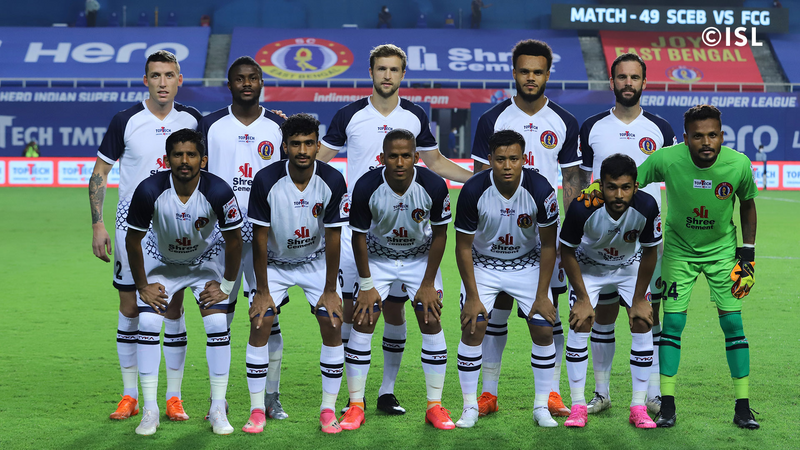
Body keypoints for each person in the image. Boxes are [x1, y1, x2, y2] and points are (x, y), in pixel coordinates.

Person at [318, 43, 471, 415]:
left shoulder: (415, 115)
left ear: (403, 74)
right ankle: (352, 398)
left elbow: (435, 162)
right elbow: (318, 160)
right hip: (361, 232)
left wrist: (479, 180)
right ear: (371, 72)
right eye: (381, 68)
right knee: (354, 313)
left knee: (396, 313)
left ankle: (386, 392)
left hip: (407, 234)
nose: (387, 75)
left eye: (394, 69)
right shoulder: (349, 115)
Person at [470, 39, 581, 418]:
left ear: (548, 74)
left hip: (545, 238)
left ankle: (551, 394)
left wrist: (571, 236)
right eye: (524, 71)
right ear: (514, 73)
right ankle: (488, 393)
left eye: (537, 71)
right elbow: (479, 180)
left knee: (549, 314)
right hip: (499, 239)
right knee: (495, 313)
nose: (530, 77)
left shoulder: (564, 121)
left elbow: (572, 182)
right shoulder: (492, 119)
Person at [89, 50, 202, 422]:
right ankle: (129, 395)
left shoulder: (193, 119)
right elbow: (100, 173)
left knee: (173, 307)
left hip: (176, 224)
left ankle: (174, 397)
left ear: (179, 80)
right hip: (131, 224)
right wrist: (98, 223)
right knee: (130, 308)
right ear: (146, 80)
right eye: (156, 75)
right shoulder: (125, 120)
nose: (162, 83)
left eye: (169, 75)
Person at [636, 104, 759, 429]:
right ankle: (667, 406)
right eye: (698, 136)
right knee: (673, 325)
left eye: (713, 135)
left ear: (722, 135)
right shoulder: (667, 159)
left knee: (733, 325)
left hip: (722, 254)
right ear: (686, 137)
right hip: (679, 253)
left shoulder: (738, 164)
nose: (706, 142)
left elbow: (747, 205)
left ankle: (743, 407)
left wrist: (747, 255)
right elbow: (631, 181)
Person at [125, 129, 243, 435]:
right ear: (167, 160)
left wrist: (226, 285)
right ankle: (150, 410)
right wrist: (142, 286)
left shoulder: (218, 190)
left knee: (217, 325)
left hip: (205, 264)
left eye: (191, 154)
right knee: (148, 323)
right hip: (163, 264)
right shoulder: (149, 189)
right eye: (178, 155)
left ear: (203, 160)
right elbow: (133, 239)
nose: (184, 160)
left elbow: (234, 240)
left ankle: (218, 408)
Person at [578, 52, 676, 416]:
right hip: (600, 243)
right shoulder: (592, 127)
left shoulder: (661, 129)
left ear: (644, 82)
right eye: (622, 77)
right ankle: (601, 393)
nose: (628, 83)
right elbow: (579, 181)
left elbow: (674, 182)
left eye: (635, 77)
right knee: (602, 317)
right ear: (612, 82)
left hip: (647, 244)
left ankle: (653, 395)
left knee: (647, 316)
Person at [340, 129, 455, 431]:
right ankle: (355, 406)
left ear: (417, 157)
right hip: (378, 258)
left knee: (430, 318)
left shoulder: (434, 185)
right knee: (363, 319)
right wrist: (367, 285)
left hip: (419, 259)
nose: (400, 162)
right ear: (382, 158)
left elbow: (441, 235)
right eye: (393, 156)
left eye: (406, 156)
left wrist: (428, 284)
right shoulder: (366, 186)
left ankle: (434, 406)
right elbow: (358, 237)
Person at [246, 114, 349, 434]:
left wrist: (330, 290)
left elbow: (334, 237)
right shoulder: (265, 180)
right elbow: (259, 240)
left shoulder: (332, 179)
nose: (302, 150)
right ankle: (257, 410)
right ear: (284, 147)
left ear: (318, 145)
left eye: (308, 143)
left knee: (333, 321)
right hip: (274, 263)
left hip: (315, 262)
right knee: (260, 321)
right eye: (295, 144)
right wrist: (262, 291)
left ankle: (327, 410)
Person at [199, 55, 289, 421]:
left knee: (267, 317)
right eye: (240, 78)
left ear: (262, 82)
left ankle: (271, 398)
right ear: (230, 84)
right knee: (218, 319)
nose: (247, 83)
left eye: (253, 78)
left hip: (266, 233)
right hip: (220, 235)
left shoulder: (279, 126)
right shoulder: (209, 125)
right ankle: (217, 401)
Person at [454, 130, 560, 428]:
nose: (507, 165)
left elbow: (549, 245)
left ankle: (541, 407)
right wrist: (472, 297)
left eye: (514, 159)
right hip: (484, 265)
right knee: (473, 327)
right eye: (500, 159)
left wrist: (542, 295)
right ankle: (470, 406)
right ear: (490, 160)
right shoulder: (473, 190)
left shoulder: (541, 189)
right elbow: (462, 247)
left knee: (543, 330)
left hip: (527, 264)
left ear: (524, 159)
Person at [560, 153, 660, 429]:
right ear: (600, 185)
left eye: (625, 187)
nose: (618, 194)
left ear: (636, 186)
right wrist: (582, 298)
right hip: (589, 267)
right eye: (611, 187)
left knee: (643, 321)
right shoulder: (582, 207)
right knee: (580, 322)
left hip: (628, 266)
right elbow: (566, 251)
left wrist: (639, 299)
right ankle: (578, 406)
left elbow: (650, 251)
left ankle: (638, 407)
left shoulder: (647, 206)